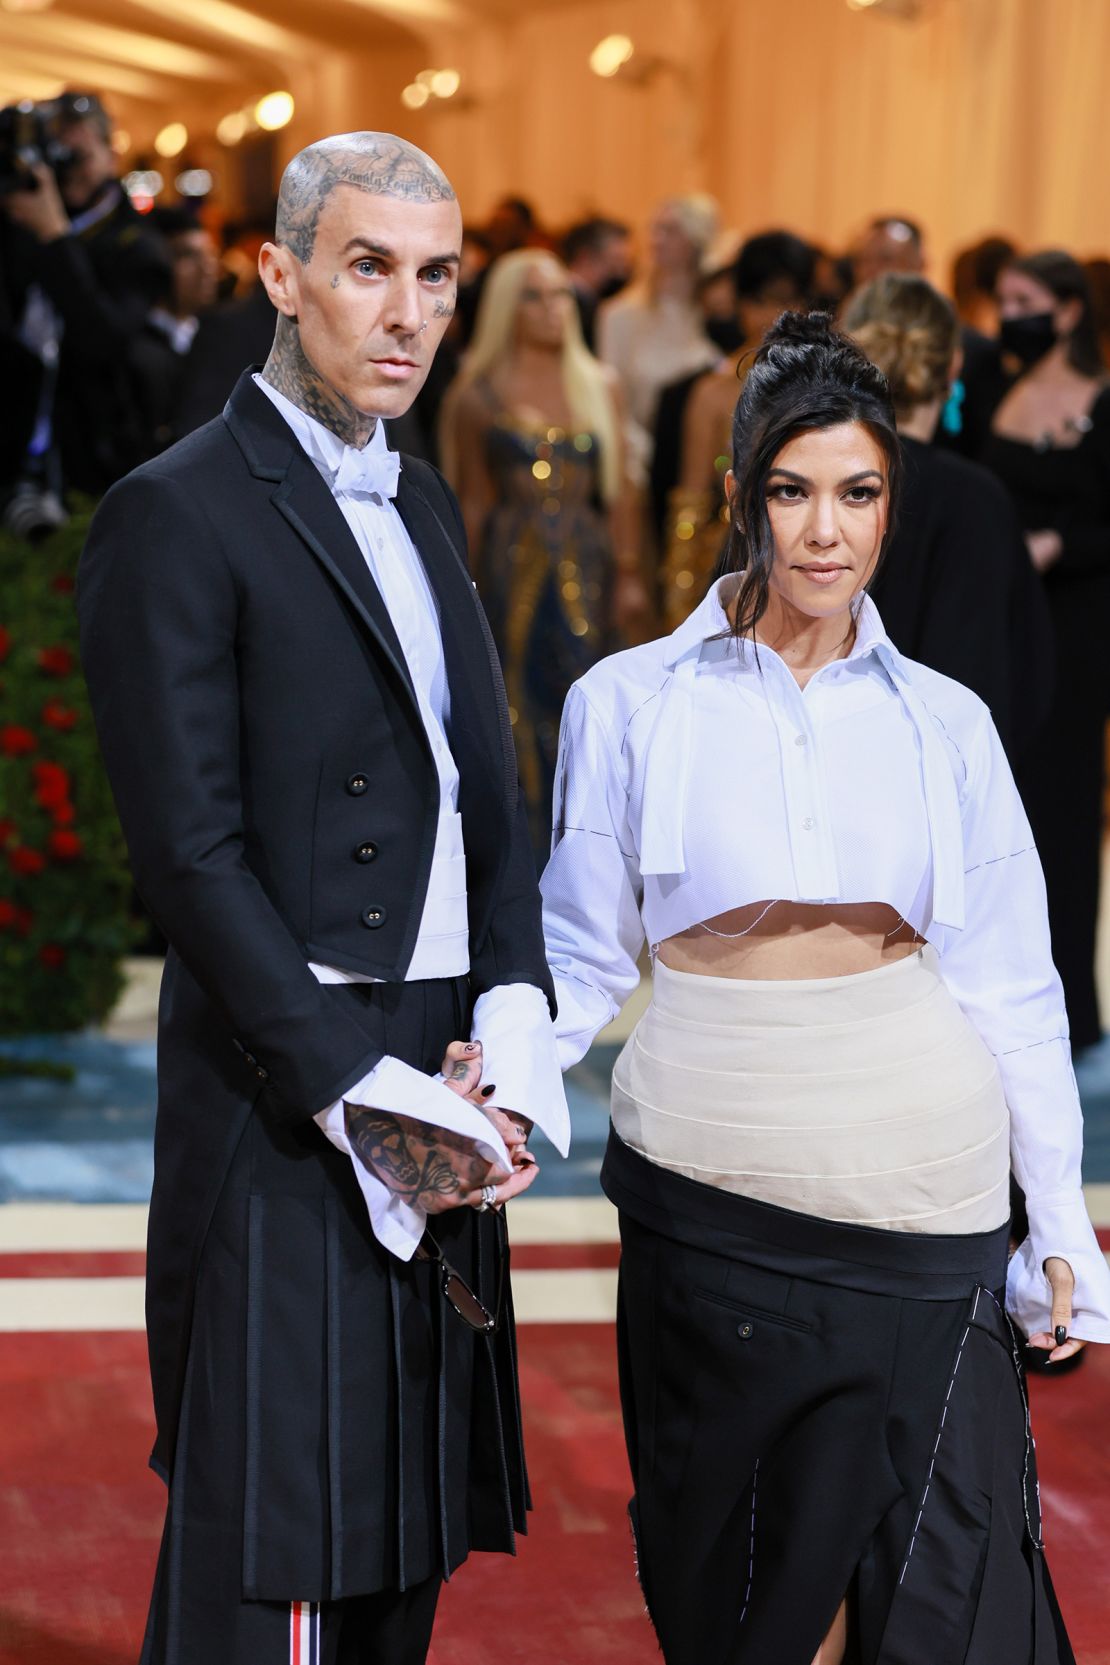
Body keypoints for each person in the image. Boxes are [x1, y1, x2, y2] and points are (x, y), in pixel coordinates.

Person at [541, 311, 1110, 1665]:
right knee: (742, 1608)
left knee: (920, 1599)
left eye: (856, 494)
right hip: (707, 1199)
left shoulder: (945, 724)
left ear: (888, 504)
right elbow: (574, 954)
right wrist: (492, 1088)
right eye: (791, 491)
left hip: (927, 1195)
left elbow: (1013, 992)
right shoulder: (626, 703)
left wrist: (1060, 1226)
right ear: (740, 497)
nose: (823, 532)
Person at [78, 130, 570, 1665]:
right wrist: (361, 1092)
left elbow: (485, 791)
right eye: (368, 269)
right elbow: (190, 859)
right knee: (276, 1554)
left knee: (401, 1530)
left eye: (435, 276)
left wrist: (507, 1007)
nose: (406, 314)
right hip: (288, 1082)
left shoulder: (424, 499)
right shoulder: (178, 508)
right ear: (281, 276)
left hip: (436, 1053)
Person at [439, 248, 641, 861]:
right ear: (506, 306)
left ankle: (592, 860)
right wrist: (459, 594)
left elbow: (622, 489)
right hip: (509, 567)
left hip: (591, 564)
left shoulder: (599, 383)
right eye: (533, 296)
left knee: (593, 702)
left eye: (559, 294)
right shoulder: (475, 394)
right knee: (514, 707)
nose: (552, 309)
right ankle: (524, 866)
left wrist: (632, 574)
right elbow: (470, 501)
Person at [978, 250, 1110, 1049]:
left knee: (1063, 812)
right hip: (1006, 625)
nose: (1008, 313)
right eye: (1002, 299)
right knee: (1001, 810)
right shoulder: (995, 386)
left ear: (1067, 310)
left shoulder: (1106, 398)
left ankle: (1071, 1009)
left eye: (1024, 299)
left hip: (1082, 625)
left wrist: (1061, 542)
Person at [842, 271, 1053, 760]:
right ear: (953, 364)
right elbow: (1015, 677)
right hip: (928, 785)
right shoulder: (975, 499)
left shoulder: (798, 480)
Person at [0, 90, 170, 506]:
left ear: (112, 156)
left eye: (80, 157)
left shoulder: (140, 244)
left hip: (97, 457)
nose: (68, 173)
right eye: (59, 158)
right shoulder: (19, 227)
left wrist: (55, 236)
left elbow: (103, 339)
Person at [657, 231, 816, 626]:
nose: (772, 316)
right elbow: (689, 504)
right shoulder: (711, 393)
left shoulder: (825, 388)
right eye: (759, 301)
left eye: (785, 299)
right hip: (733, 562)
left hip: (814, 557)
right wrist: (679, 599)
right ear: (739, 303)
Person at [597, 193, 719, 487]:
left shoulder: (715, 315)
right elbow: (612, 403)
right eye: (655, 229)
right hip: (644, 472)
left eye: (671, 230)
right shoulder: (619, 315)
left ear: (696, 240)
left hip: (709, 471)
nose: (657, 239)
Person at [127, 206, 219, 458]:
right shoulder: (134, 351)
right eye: (189, 256)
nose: (207, 268)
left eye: (210, 255)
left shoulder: (220, 338)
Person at [561, 215, 633, 350]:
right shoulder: (570, 305)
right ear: (585, 258)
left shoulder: (595, 302)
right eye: (617, 260)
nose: (622, 272)